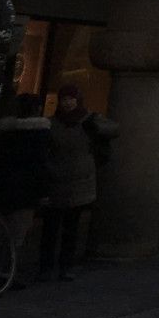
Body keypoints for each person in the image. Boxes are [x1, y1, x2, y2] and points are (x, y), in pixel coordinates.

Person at [41, 85, 117, 282]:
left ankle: (66, 266)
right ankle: (46, 267)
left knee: (71, 230)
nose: (67, 103)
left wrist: (96, 125)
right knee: (50, 229)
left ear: (78, 100)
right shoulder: (51, 123)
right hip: (55, 181)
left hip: (79, 183)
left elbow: (113, 130)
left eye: (71, 99)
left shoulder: (89, 121)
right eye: (64, 99)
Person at [0, 94, 52, 287]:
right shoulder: (39, 134)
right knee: (17, 235)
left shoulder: (4, 132)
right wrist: (43, 192)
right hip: (26, 190)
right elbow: (40, 166)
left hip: (2, 188)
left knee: (1, 231)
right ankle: (9, 274)